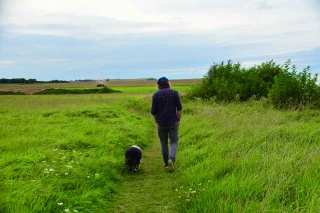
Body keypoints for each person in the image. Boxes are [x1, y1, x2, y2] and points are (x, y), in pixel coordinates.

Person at [151, 77, 182, 172]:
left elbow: (153, 112)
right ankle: (171, 159)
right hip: (173, 122)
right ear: (168, 83)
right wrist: (178, 120)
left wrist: (157, 120)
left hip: (161, 123)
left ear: (158, 85)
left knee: (163, 142)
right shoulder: (174, 93)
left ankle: (166, 162)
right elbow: (179, 109)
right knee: (174, 142)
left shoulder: (155, 95)